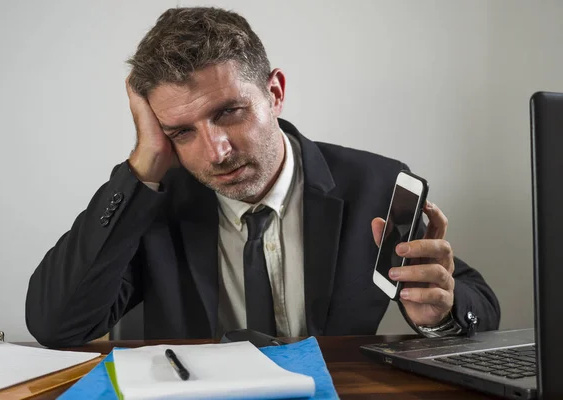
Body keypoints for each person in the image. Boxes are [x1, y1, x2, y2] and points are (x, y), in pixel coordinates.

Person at [25, 7, 500, 347]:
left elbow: (478, 303)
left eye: (230, 112)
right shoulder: (152, 202)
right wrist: (144, 160)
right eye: (181, 132)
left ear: (274, 92)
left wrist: (439, 314)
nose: (217, 152)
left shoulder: (377, 185)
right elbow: (56, 327)